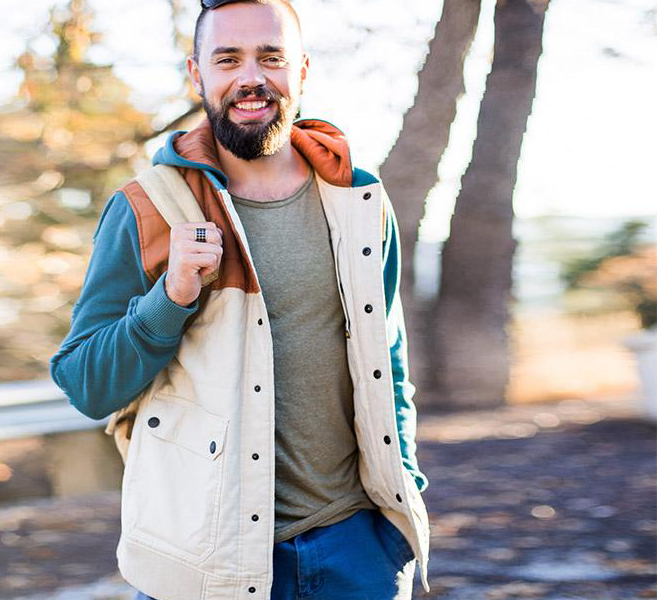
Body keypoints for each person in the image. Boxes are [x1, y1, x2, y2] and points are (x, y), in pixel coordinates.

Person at [49, 0, 431, 598]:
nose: (251, 77)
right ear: (197, 75)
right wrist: (169, 298)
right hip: (205, 563)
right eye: (228, 58)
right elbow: (85, 385)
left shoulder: (357, 200)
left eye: (270, 57)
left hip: (357, 551)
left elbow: (391, 362)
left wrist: (398, 504)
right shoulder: (146, 208)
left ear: (301, 70)